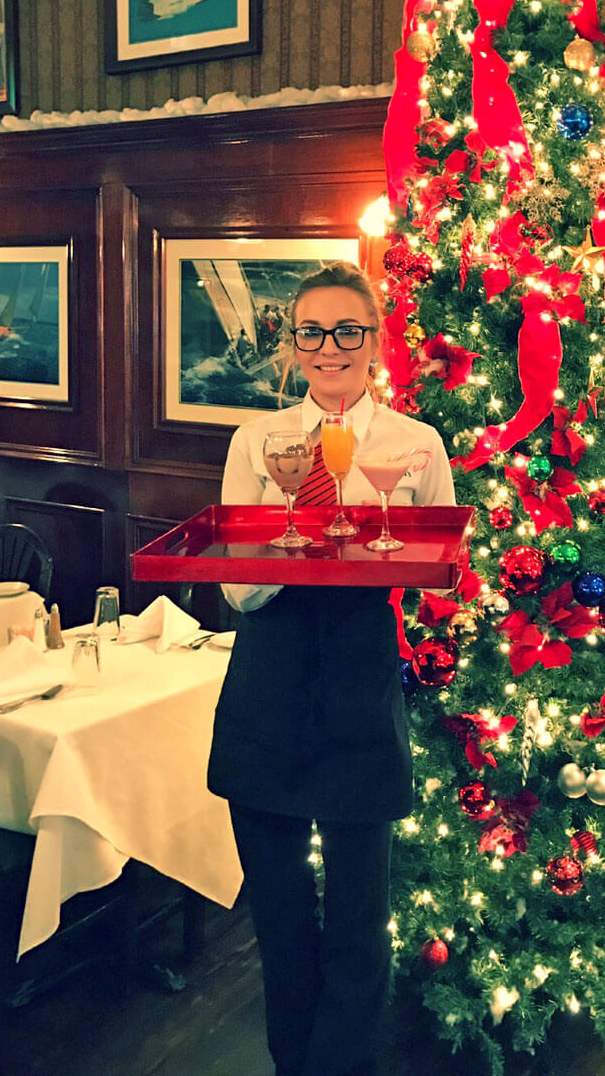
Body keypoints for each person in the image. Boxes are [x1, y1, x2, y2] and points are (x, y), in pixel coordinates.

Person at [208, 261, 455, 1076]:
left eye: (348, 330)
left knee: (358, 922)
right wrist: (302, 522)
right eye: (310, 331)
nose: (329, 348)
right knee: (281, 922)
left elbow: (438, 570)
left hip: (358, 696)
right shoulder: (258, 443)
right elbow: (241, 591)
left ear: (376, 341)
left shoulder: (416, 446)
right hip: (266, 699)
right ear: (292, 344)